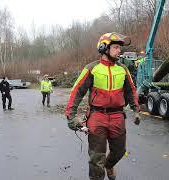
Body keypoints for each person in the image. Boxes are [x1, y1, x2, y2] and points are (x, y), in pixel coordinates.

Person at [65, 32, 141, 180]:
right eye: (116, 47)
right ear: (104, 47)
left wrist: (136, 109)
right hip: (97, 116)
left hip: (118, 116)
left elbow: (131, 90)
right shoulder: (92, 68)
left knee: (119, 151)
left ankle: (109, 165)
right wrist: (71, 116)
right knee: (96, 159)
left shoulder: (123, 69)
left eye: (120, 48)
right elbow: (77, 92)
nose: (120, 50)